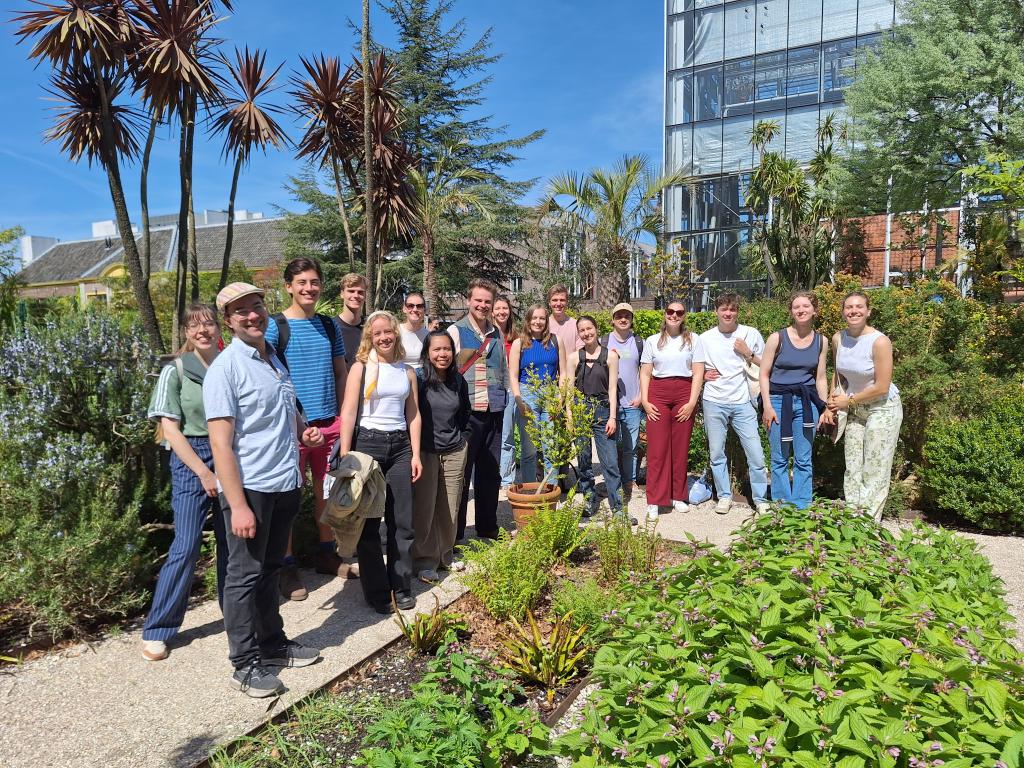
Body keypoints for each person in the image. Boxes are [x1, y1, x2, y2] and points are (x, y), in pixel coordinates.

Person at [204, 282, 324, 698]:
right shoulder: (226, 368)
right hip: (249, 488)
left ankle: (273, 645)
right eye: (242, 312)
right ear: (229, 321)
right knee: (243, 576)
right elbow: (220, 444)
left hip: (284, 481)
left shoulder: (273, 358)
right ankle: (244, 661)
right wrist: (236, 505)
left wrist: (301, 434)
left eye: (257, 307)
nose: (253, 315)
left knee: (270, 569)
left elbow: (282, 413)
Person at [141, 303, 228, 662]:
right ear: (185, 332)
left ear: (219, 327)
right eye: (195, 326)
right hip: (191, 458)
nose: (203, 330)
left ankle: (237, 614)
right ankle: (158, 629)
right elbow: (170, 430)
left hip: (228, 453)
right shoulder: (175, 371)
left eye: (208, 323)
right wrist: (204, 472)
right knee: (187, 543)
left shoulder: (229, 364)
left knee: (233, 540)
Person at [265, 258, 353, 602]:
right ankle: (286, 565)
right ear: (289, 286)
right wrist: (297, 423)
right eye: (301, 282)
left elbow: (341, 372)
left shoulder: (329, 326)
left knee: (326, 492)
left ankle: (326, 551)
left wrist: (345, 418)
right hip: (291, 430)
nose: (309, 288)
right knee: (287, 498)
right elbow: (269, 379)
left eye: (314, 282)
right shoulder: (276, 327)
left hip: (329, 425)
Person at [337, 311, 423, 613]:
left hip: (399, 447)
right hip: (368, 446)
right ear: (370, 338)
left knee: (402, 522)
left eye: (389, 332)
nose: (385, 337)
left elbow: (413, 414)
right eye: (378, 334)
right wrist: (346, 455)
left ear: (396, 334)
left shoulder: (407, 372)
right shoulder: (360, 368)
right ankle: (377, 592)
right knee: (369, 525)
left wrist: (414, 453)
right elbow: (348, 412)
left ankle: (401, 587)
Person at [828, 290, 903, 522]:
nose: (854, 311)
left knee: (875, 468)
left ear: (868, 311)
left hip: (882, 407)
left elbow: (882, 386)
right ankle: (852, 518)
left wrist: (847, 401)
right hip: (855, 409)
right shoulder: (838, 338)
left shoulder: (879, 342)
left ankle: (868, 524)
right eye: (849, 307)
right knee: (853, 466)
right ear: (843, 312)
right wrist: (832, 401)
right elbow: (838, 374)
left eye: (859, 307)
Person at [694, 292, 770, 515]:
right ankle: (724, 496)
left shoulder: (750, 333)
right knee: (717, 453)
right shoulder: (705, 338)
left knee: (755, 453)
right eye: (723, 309)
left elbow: (766, 364)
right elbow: (692, 365)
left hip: (743, 402)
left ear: (738, 311)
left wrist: (748, 353)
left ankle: (760, 499)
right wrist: (702, 375)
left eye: (732, 309)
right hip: (713, 401)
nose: (728, 313)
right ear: (716, 311)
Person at [447, 278, 508, 541]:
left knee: (490, 473)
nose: (483, 305)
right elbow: (447, 372)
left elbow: (503, 370)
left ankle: (487, 526)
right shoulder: (456, 332)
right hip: (467, 414)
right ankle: (456, 533)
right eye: (478, 300)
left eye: (487, 301)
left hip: (494, 411)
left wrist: (505, 401)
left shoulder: (497, 334)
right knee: (462, 474)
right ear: (469, 301)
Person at [759, 291, 830, 510]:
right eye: (796, 307)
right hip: (779, 402)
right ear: (791, 311)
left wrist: (824, 407)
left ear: (814, 310)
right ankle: (780, 507)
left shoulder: (821, 341)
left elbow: (820, 377)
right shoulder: (777, 338)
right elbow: (764, 373)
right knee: (779, 459)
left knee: (803, 459)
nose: (801, 310)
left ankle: (801, 507)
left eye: (806, 306)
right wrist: (767, 406)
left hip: (807, 404)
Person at [411, 331, 471, 582]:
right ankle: (425, 561)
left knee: (450, 506)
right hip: (425, 451)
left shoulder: (458, 380)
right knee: (425, 508)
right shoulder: (418, 379)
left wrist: (463, 439)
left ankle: (445, 555)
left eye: (446, 349)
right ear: (427, 353)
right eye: (436, 350)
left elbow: (465, 413)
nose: (442, 354)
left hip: (454, 450)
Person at [639, 300, 703, 522]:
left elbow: (698, 372)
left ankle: (677, 496)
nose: (674, 315)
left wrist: (693, 402)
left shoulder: (694, 340)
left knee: (680, 447)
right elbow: (646, 373)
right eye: (670, 311)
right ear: (664, 314)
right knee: (657, 449)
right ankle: (655, 500)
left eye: (679, 312)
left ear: (685, 315)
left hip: (684, 393)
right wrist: (645, 402)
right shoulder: (652, 341)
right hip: (658, 393)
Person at [567, 315, 623, 518]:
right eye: (582, 330)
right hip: (581, 409)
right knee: (584, 460)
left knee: (610, 462)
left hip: (602, 411)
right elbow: (569, 391)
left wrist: (612, 417)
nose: (586, 333)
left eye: (589, 328)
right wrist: (570, 417)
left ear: (596, 329)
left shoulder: (610, 357)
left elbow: (612, 390)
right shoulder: (574, 358)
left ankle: (618, 507)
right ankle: (589, 501)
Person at [509, 304, 567, 485]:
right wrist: (519, 400)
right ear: (528, 320)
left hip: (550, 394)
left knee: (550, 447)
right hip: (527, 395)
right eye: (534, 318)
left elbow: (563, 372)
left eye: (542, 318)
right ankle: (529, 490)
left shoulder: (556, 341)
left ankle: (551, 491)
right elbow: (513, 375)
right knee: (529, 449)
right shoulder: (519, 343)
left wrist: (561, 397)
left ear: (546, 321)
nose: (538, 322)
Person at [602, 302, 645, 500]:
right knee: (610, 446)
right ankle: (613, 482)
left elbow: (646, 372)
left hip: (632, 403)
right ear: (612, 319)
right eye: (619, 315)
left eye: (627, 315)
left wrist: (641, 396)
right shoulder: (604, 341)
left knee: (631, 446)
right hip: (609, 404)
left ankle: (630, 480)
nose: (623, 319)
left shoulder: (638, 342)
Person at [492, 295, 522, 487]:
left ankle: (507, 479)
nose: (502, 312)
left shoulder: (516, 336)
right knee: (498, 435)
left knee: (508, 435)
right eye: (498, 308)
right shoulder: (487, 333)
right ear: (492, 312)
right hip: (493, 388)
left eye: (505, 308)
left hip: (512, 389)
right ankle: (496, 475)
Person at [337, 273, 368, 367]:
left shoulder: (370, 327)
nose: (356, 295)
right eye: (351, 291)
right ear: (342, 294)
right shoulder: (331, 328)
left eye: (360, 292)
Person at [547, 283, 583, 352]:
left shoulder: (576, 325)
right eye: (555, 300)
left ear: (567, 302)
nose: (558, 304)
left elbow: (580, 354)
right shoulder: (543, 325)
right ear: (549, 303)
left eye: (562, 300)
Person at [399, 292, 429, 371]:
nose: (415, 309)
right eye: (410, 306)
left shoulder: (428, 335)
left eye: (419, 306)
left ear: (424, 310)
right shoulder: (395, 332)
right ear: (404, 309)